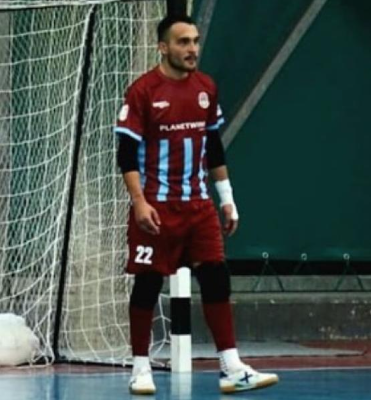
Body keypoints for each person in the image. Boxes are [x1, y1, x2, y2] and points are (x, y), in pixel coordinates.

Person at [114, 15, 279, 395]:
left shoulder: (206, 87)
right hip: (157, 208)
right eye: (183, 42)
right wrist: (139, 202)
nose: (192, 49)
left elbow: (214, 147)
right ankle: (140, 368)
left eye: (195, 41)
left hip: (199, 207)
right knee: (148, 283)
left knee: (216, 277)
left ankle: (231, 367)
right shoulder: (142, 91)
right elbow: (126, 154)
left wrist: (227, 199)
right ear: (163, 47)